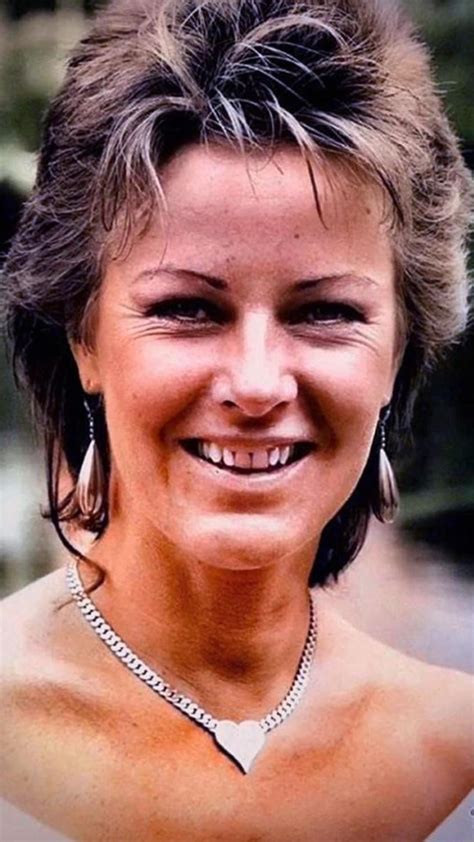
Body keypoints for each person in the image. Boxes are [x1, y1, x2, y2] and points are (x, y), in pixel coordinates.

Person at [1, 0, 472, 839]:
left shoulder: (457, 751)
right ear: (85, 340)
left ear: (400, 352)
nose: (257, 385)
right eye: (187, 308)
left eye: (325, 311)